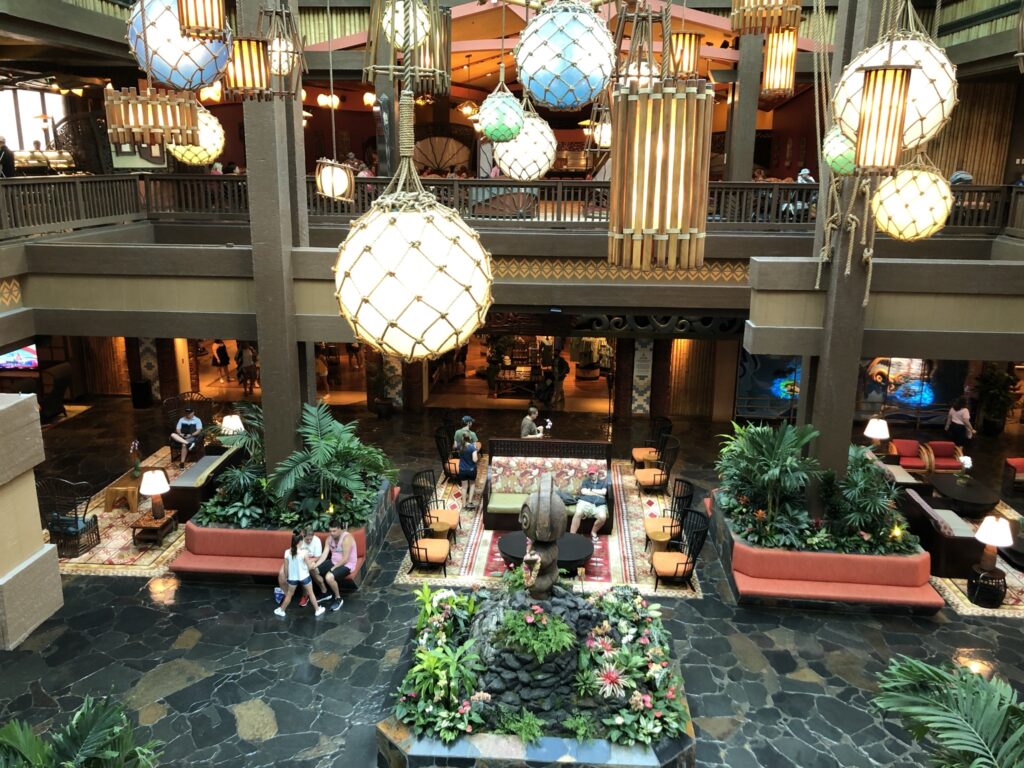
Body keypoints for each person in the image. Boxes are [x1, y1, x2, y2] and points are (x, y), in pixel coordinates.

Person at [275, 531, 326, 617]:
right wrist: (313, 566)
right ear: (301, 541)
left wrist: (287, 577)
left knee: (289, 595)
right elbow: (309, 567)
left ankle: (282, 610)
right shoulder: (304, 553)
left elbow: (286, 568)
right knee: (311, 593)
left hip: (292, 578)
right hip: (305, 577)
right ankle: (317, 610)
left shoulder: (287, 552)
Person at [311, 520, 355, 608]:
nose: (332, 533)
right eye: (330, 531)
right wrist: (315, 565)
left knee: (329, 577)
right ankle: (325, 592)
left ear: (339, 529)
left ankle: (338, 598)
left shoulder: (346, 538)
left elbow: (345, 559)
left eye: (334, 531)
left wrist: (333, 568)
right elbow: (324, 555)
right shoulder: (329, 539)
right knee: (312, 570)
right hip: (333, 561)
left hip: (347, 564)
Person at [570, 465, 609, 541]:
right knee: (578, 513)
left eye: (593, 473)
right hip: (585, 502)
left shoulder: (603, 483)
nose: (592, 475)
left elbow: (604, 492)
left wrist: (590, 490)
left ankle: (593, 532)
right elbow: (583, 492)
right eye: (590, 474)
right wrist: (598, 493)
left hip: (599, 504)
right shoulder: (585, 481)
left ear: (597, 473)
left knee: (602, 517)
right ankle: (572, 535)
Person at [458, 434, 479, 510]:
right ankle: (470, 502)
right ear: (470, 438)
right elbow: (475, 459)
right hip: (471, 470)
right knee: (472, 484)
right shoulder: (472, 447)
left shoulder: (459, 446)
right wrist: (476, 450)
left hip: (462, 470)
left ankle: (463, 505)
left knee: (464, 487)